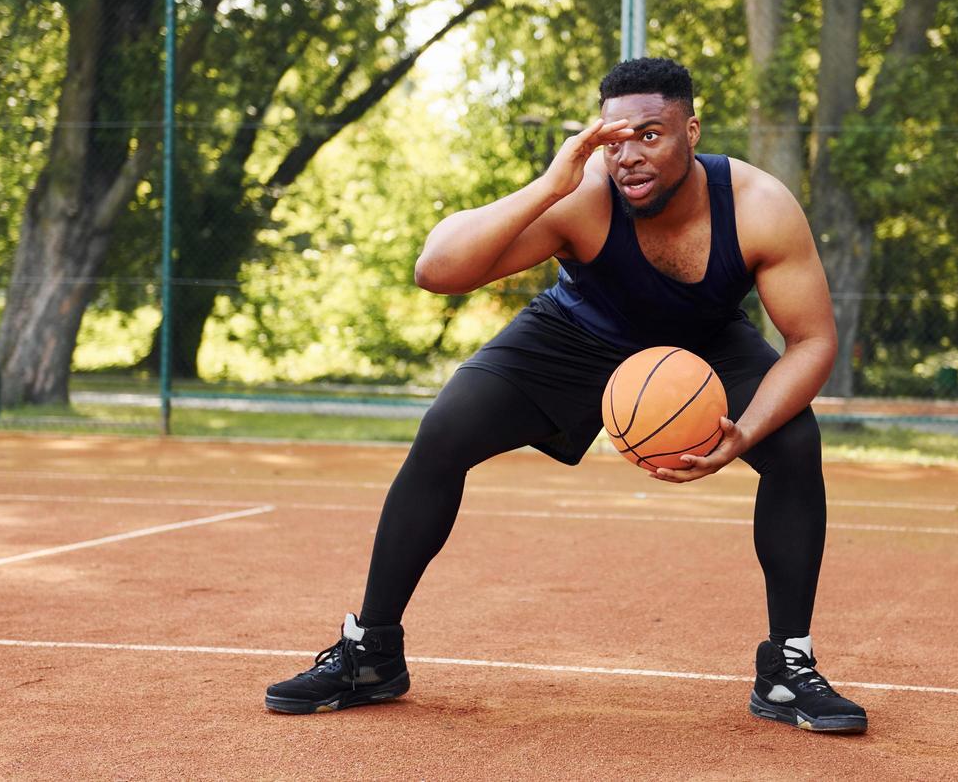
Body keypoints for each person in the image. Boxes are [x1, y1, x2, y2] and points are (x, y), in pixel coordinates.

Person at [264, 57, 867, 734]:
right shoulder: (580, 199)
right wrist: (550, 184)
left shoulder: (758, 207)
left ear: (691, 131)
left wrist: (746, 432)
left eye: (651, 134)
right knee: (445, 431)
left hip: (704, 344)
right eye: (615, 139)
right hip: (575, 332)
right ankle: (370, 653)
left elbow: (812, 341)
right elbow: (435, 271)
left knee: (794, 443)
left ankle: (787, 669)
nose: (630, 155)